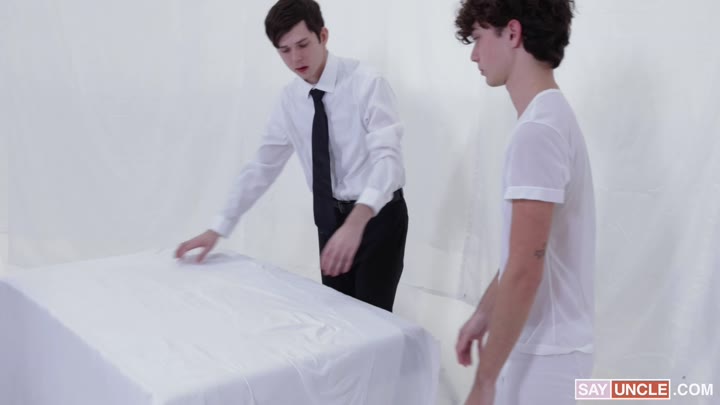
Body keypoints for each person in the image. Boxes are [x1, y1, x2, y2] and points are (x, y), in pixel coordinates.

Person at [175, 0, 408, 312]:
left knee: (373, 318)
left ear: (323, 36)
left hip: (377, 216)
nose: (296, 58)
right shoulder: (290, 100)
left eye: (302, 45)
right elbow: (261, 167)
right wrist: (217, 228)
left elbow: (389, 160)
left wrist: (357, 220)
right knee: (340, 318)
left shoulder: (367, 83)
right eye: (284, 50)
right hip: (329, 219)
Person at [453, 0, 595, 404]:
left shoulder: (539, 131)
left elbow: (525, 270)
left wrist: (484, 381)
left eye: (478, 38)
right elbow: (525, 254)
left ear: (512, 33)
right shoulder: (550, 118)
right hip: (548, 349)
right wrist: (484, 312)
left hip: (546, 360)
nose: (474, 55)